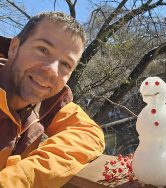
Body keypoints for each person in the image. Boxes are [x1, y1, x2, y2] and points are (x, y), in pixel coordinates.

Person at [0, 12, 105, 187]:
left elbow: (89, 133)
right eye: (43, 50)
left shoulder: (50, 101)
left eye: (65, 64)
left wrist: (21, 178)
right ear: (14, 48)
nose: (52, 71)